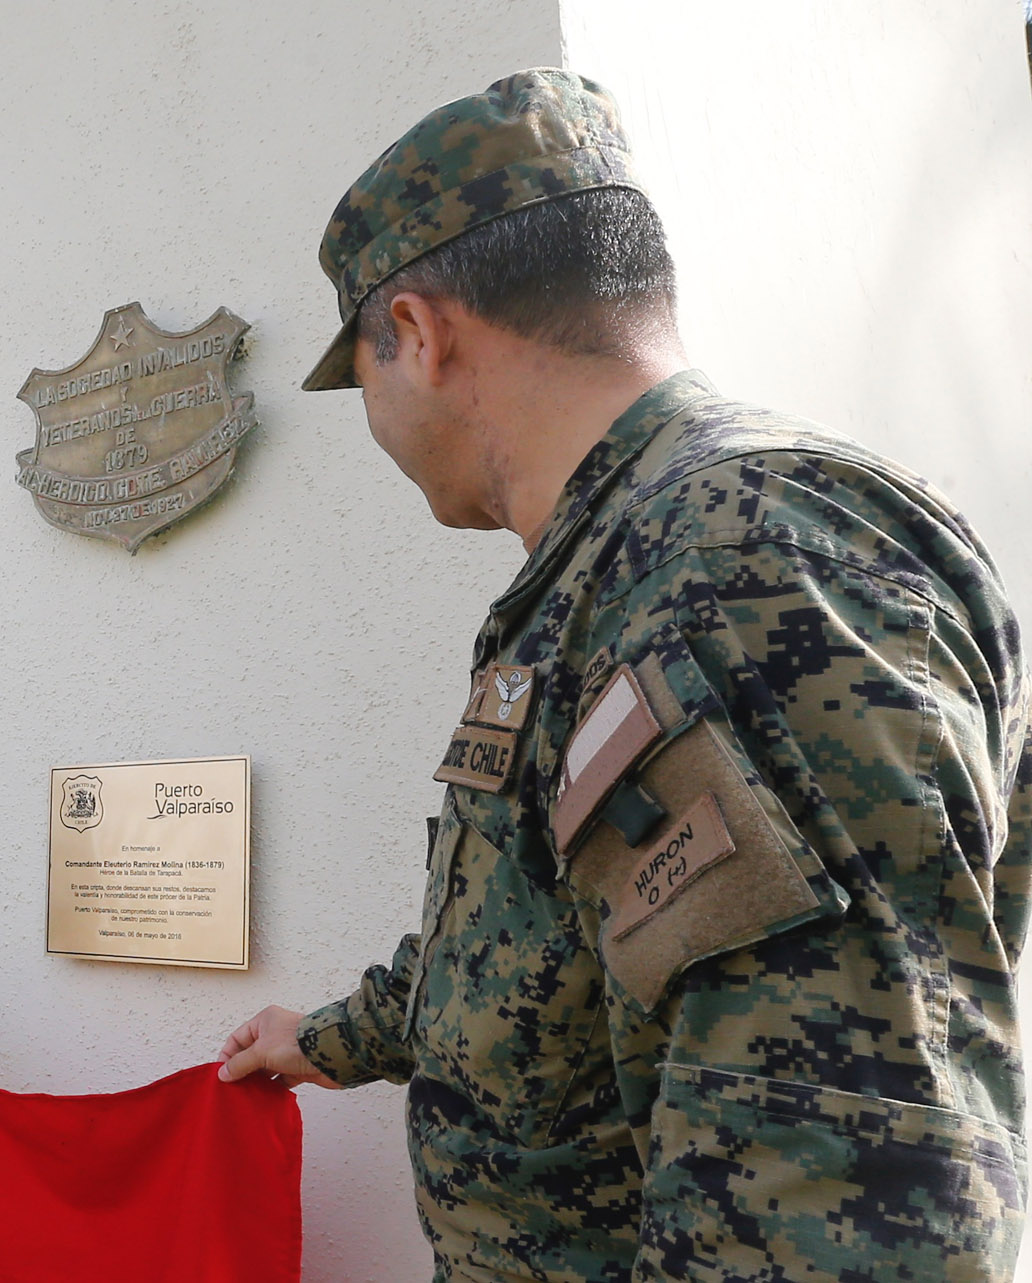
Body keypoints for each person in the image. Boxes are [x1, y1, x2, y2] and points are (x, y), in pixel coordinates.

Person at [218, 69, 1031, 1280]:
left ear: (417, 333)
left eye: (365, 376)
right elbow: (549, 935)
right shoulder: (623, 563)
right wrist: (330, 1038)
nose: (376, 419)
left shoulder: (735, 563)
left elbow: (834, 1201)